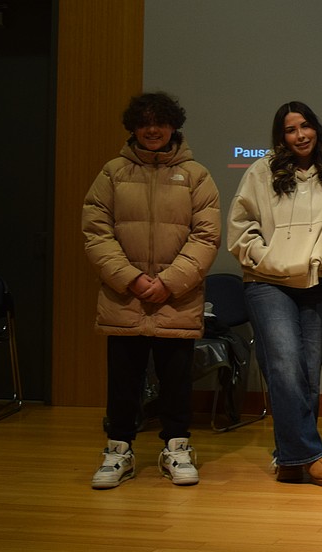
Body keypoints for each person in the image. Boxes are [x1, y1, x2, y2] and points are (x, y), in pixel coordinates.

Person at [82, 92, 220, 489]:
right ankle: (118, 450)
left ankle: (177, 448)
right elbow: (96, 232)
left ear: (174, 125)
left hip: (176, 297)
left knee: (176, 379)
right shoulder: (112, 172)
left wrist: (169, 282)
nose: (152, 129)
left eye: (160, 122)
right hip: (124, 297)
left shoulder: (197, 175)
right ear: (133, 128)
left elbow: (207, 236)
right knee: (123, 379)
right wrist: (132, 279)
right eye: (144, 123)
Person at [227, 102, 322, 488]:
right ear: (281, 137)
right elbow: (240, 226)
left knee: (308, 374)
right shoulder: (261, 171)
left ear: (316, 129)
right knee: (284, 366)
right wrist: (267, 258)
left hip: (317, 281)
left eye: (306, 126)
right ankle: (311, 453)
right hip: (266, 282)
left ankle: (291, 459)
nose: (300, 135)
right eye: (291, 130)